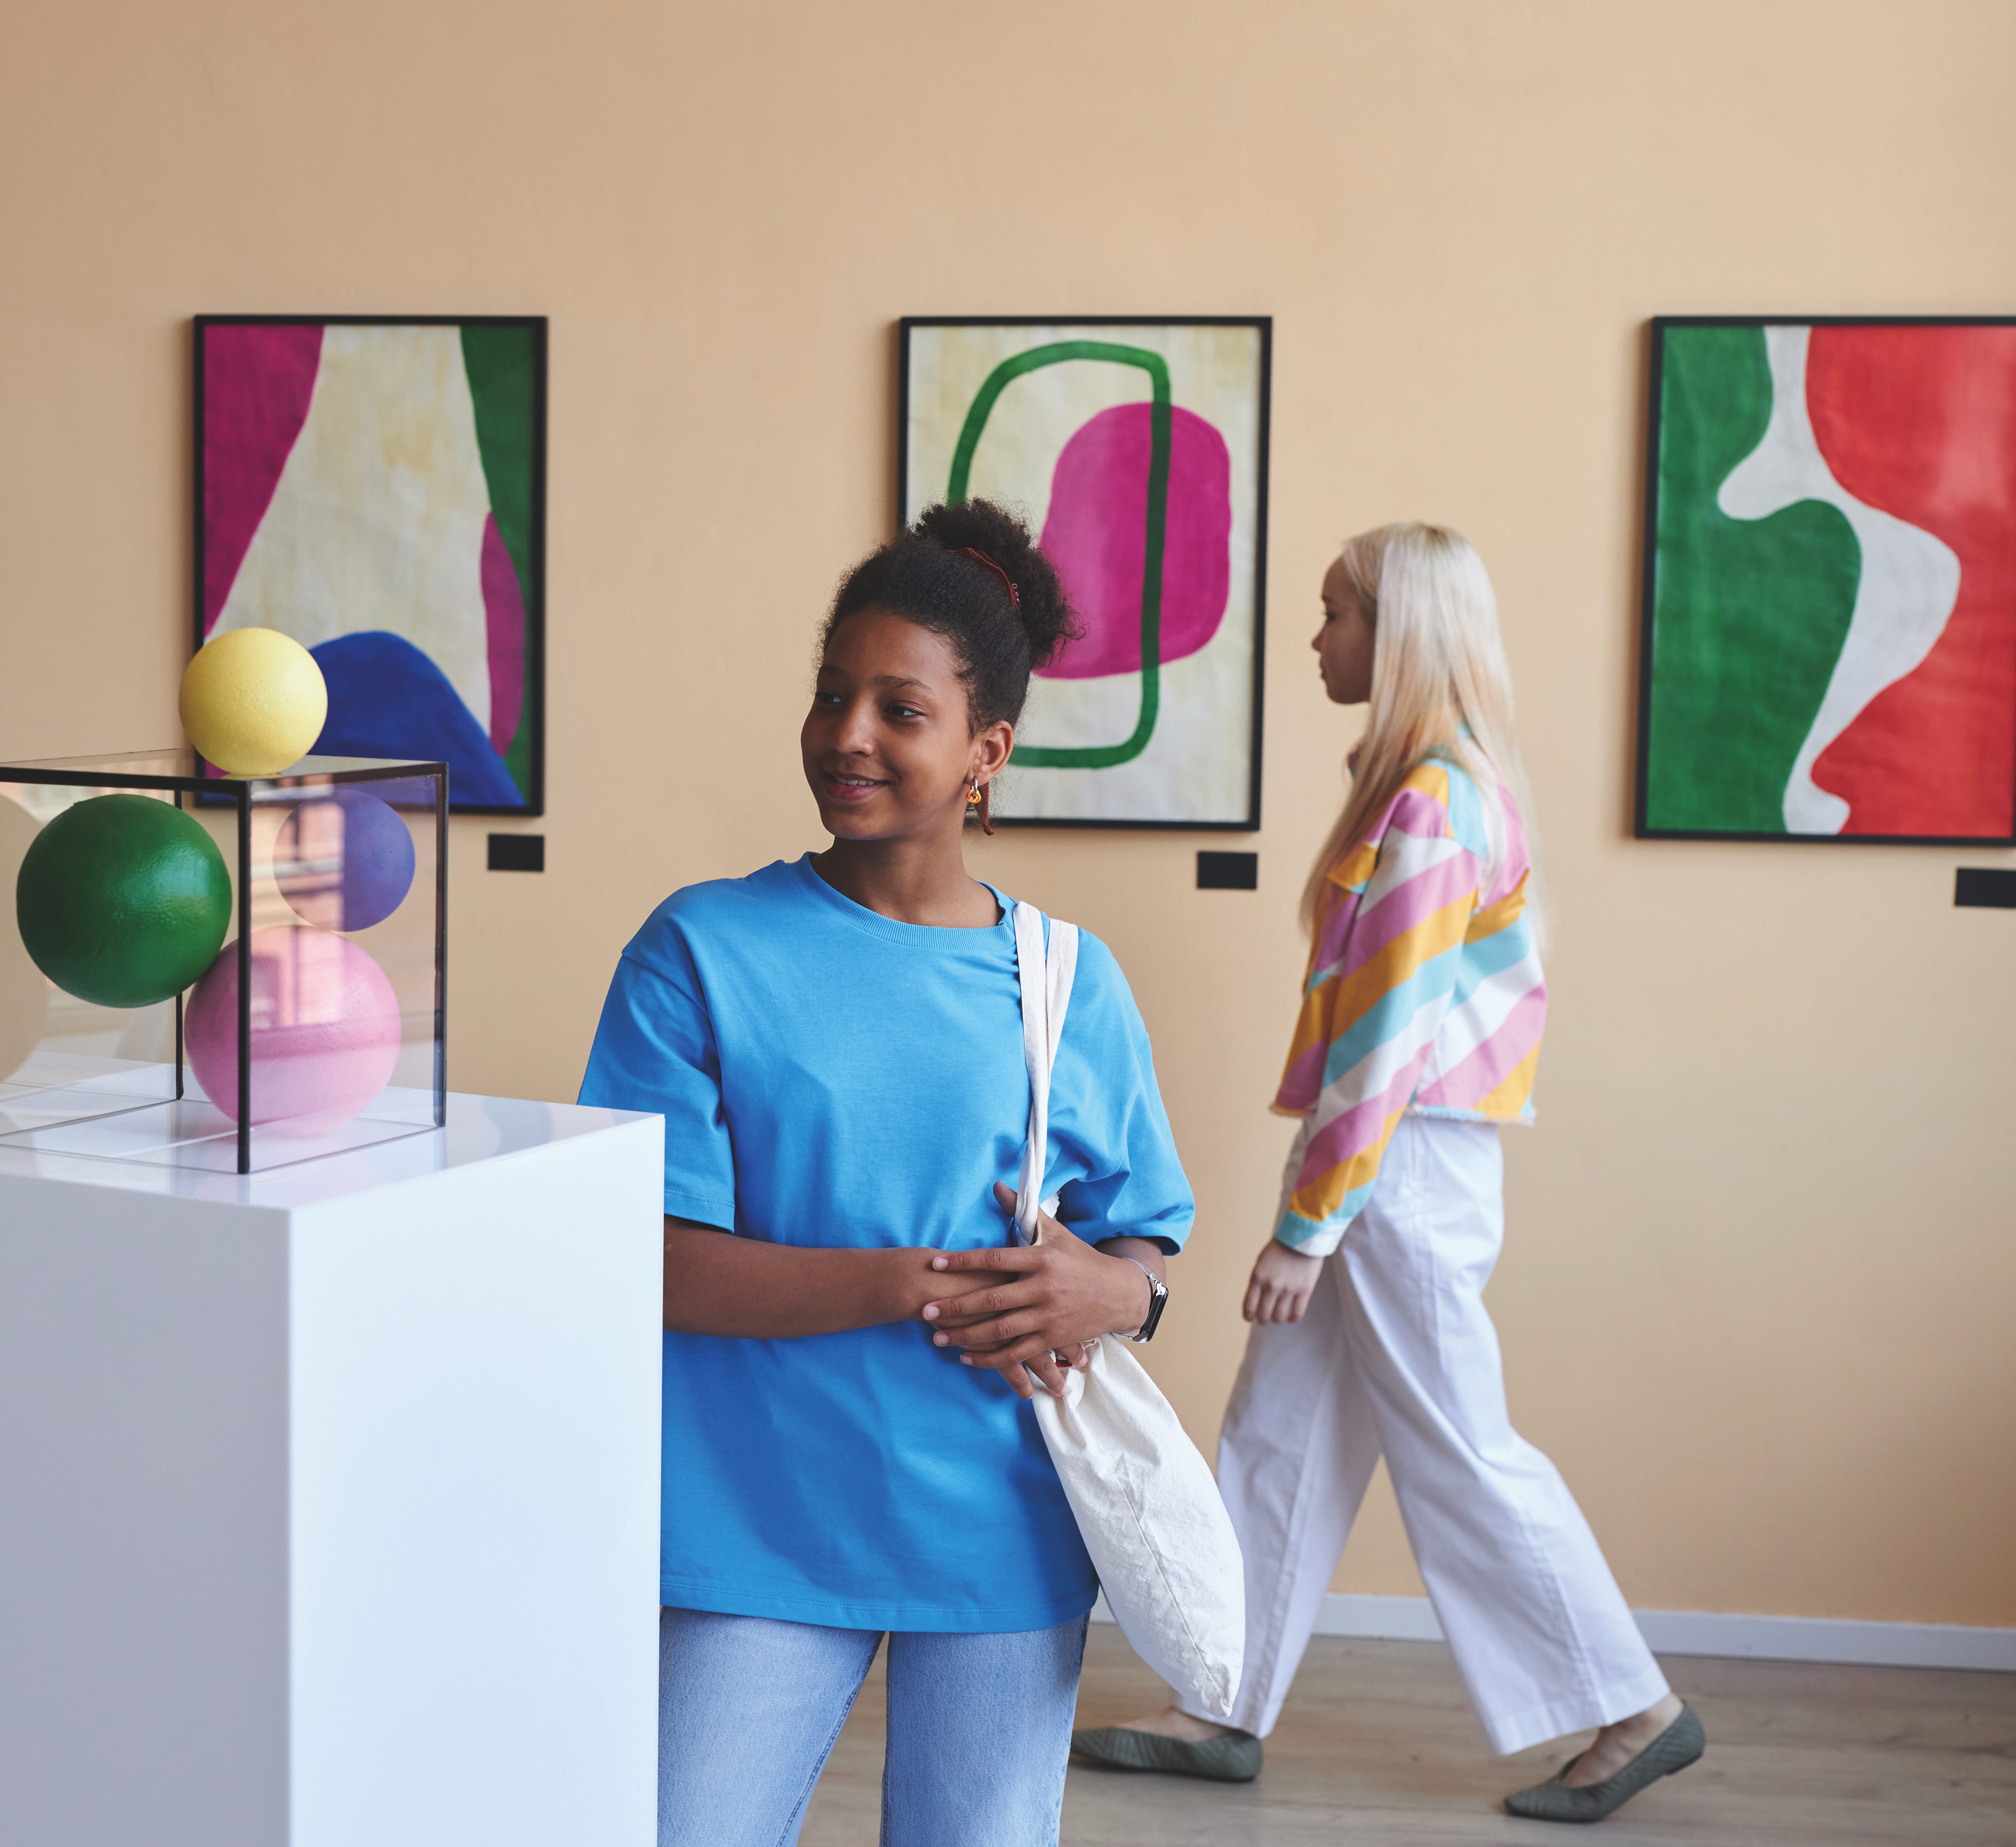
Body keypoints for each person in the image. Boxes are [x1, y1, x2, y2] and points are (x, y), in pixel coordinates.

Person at [580, 501, 1197, 1847]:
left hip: (1000, 1527)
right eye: (829, 695)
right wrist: (925, 1284)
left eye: (898, 709)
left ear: (989, 751)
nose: (847, 735)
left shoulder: (1068, 984)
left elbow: (1139, 1249)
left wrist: (1119, 1298)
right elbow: (651, 1255)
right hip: (755, 1521)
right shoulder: (700, 950)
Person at [1070, 524, 1705, 1824]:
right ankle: (1223, 1696)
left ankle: (1631, 1705)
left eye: (1334, 616)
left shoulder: (1434, 802)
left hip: (1395, 1172)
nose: (1317, 640)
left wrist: (1306, 1227)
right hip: (1386, 1166)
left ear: (1396, 633)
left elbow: (1387, 1040)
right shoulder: (1435, 787)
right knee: (1278, 1440)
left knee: (1461, 1448)